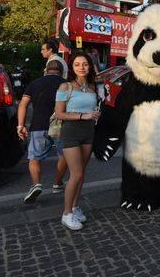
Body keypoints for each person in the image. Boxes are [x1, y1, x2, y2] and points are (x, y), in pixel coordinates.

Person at [55, 52, 99, 230]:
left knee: (82, 173)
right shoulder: (66, 87)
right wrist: (83, 115)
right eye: (77, 64)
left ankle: (75, 207)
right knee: (77, 174)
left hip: (89, 131)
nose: (82, 67)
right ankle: (66, 214)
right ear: (72, 68)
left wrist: (95, 113)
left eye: (85, 64)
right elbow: (59, 114)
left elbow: (92, 109)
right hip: (71, 131)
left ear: (90, 67)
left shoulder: (92, 87)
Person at [17, 60, 68, 203]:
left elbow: (23, 104)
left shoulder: (34, 83)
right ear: (62, 72)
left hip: (38, 126)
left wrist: (20, 125)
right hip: (61, 126)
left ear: (46, 70)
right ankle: (57, 183)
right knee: (63, 156)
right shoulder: (67, 84)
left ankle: (36, 184)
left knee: (34, 158)